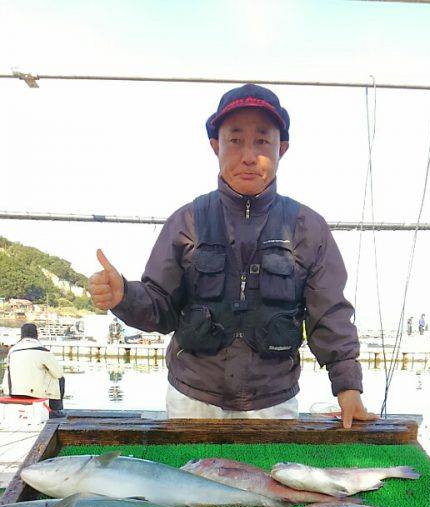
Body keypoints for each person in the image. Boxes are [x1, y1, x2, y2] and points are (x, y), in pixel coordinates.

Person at [88, 83, 376, 428]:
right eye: (235, 140)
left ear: (281, 149)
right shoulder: (186, 222)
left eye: (263, 141)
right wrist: (123, 295)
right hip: (191, 401)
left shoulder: (308, 228)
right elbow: (160, 308)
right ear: (216, 147)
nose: (249, 156)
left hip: (274, 404)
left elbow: (329, 314)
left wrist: (348, 387)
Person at [2, 323, 65, 418]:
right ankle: (55, 410)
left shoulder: (12, 351)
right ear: (37, 334)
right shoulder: (42, 351)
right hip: (35, 394)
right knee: (60, 378)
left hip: (14, 392)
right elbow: (59, 373)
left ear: (21, 335)